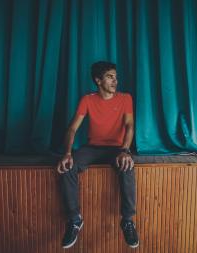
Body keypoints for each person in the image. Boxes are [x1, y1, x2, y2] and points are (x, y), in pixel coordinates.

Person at [56, 61, 139, 249]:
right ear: (98, 80)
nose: (115, 81)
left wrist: (125, 151)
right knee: (66, 167)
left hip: (117, 149)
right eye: (110, 77)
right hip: (92, 148)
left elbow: (129, 126)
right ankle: (75, 219)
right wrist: (67, 153)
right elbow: (72, 129)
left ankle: (127, 220)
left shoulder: (125, 98)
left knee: (127, 166)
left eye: (116, 77)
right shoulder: (88, 100)